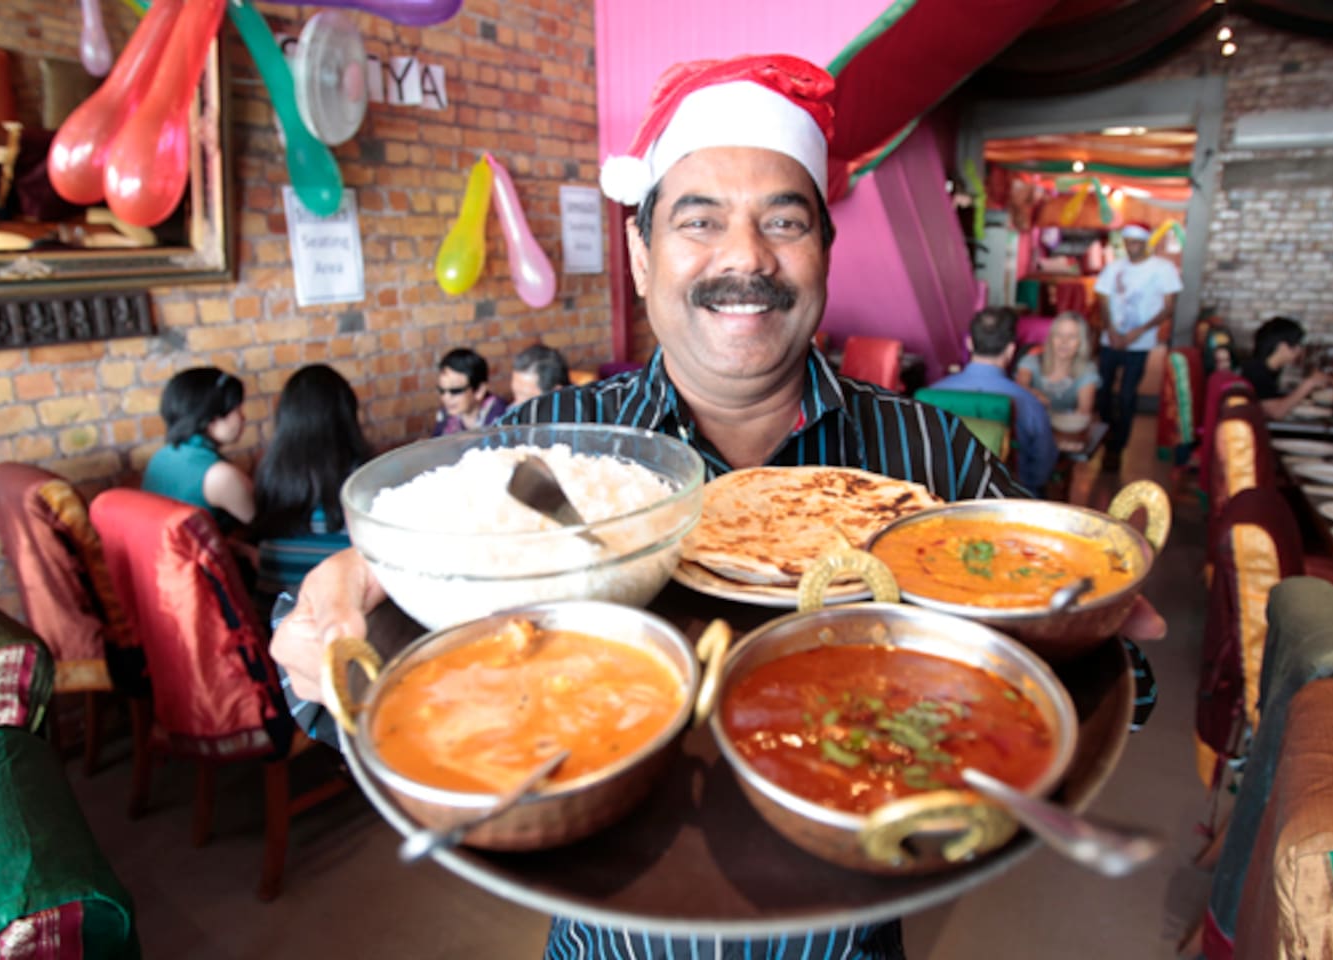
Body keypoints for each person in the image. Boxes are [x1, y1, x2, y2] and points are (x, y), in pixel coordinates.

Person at [270, 53, 1165, 960]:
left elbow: (1113, 686)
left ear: (825, 251)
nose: (746, 257)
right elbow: (337, 677)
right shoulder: (539, 448)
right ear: (638, 250)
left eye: (784, 221)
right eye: (700, 221)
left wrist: (1089, 624)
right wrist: (322, 620)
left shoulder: (930, 455)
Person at [251, 365, 371, 605]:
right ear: (347, 416)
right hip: (345, 606)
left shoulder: (269, 472)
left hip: (276, 611)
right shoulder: (361, 477)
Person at [932, 306, 1058, 496]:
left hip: (944, 499)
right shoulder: (1028, 402)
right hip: (1008, 505)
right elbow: (1042, 470)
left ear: (969, 343)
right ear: (1010, 350)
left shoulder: (932, 394)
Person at [1094, 223, 1182, 471]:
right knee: (1102, 392)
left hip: (1140, 342)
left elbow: (1168, 307)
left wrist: (1138, 332)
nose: (1131, 246)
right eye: (1128, 241)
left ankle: (1118, 446)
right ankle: (1107, 432)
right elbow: (1103, 298)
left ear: (1146, 243)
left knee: (1127, 394)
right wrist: (1110, 328)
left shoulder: (1163, 269)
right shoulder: (1115, 268)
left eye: (1136, 242)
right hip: (1110, 339)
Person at [141, 366, 255, 531]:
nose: (243, 417)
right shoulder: (220, 476)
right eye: (236, 409)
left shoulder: (161, 457)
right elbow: (267, 529)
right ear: (212, 418)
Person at [1239, 315, 1333, 420]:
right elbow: (1276, 412)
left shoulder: (1269, 369)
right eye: (1296, 345)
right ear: (1282, 346)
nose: (1299, 350)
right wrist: (1309, 383)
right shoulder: (1256, 371)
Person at [1014, 311, 1101, 415]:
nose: (1064, 341)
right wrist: (1031, 393)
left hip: (1067, 428)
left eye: (1072, 336)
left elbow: (1083, 413)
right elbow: (1019, 388)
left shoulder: (1087, 370)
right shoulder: (1033, 360)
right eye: (1059, 334)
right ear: (1051, 338)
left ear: (1081, 343)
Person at [431, 348, 506, 436]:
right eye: (442, 390)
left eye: (455, 390)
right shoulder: (446, 414)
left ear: (479, 391)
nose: (446, 397)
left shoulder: (501, 418)